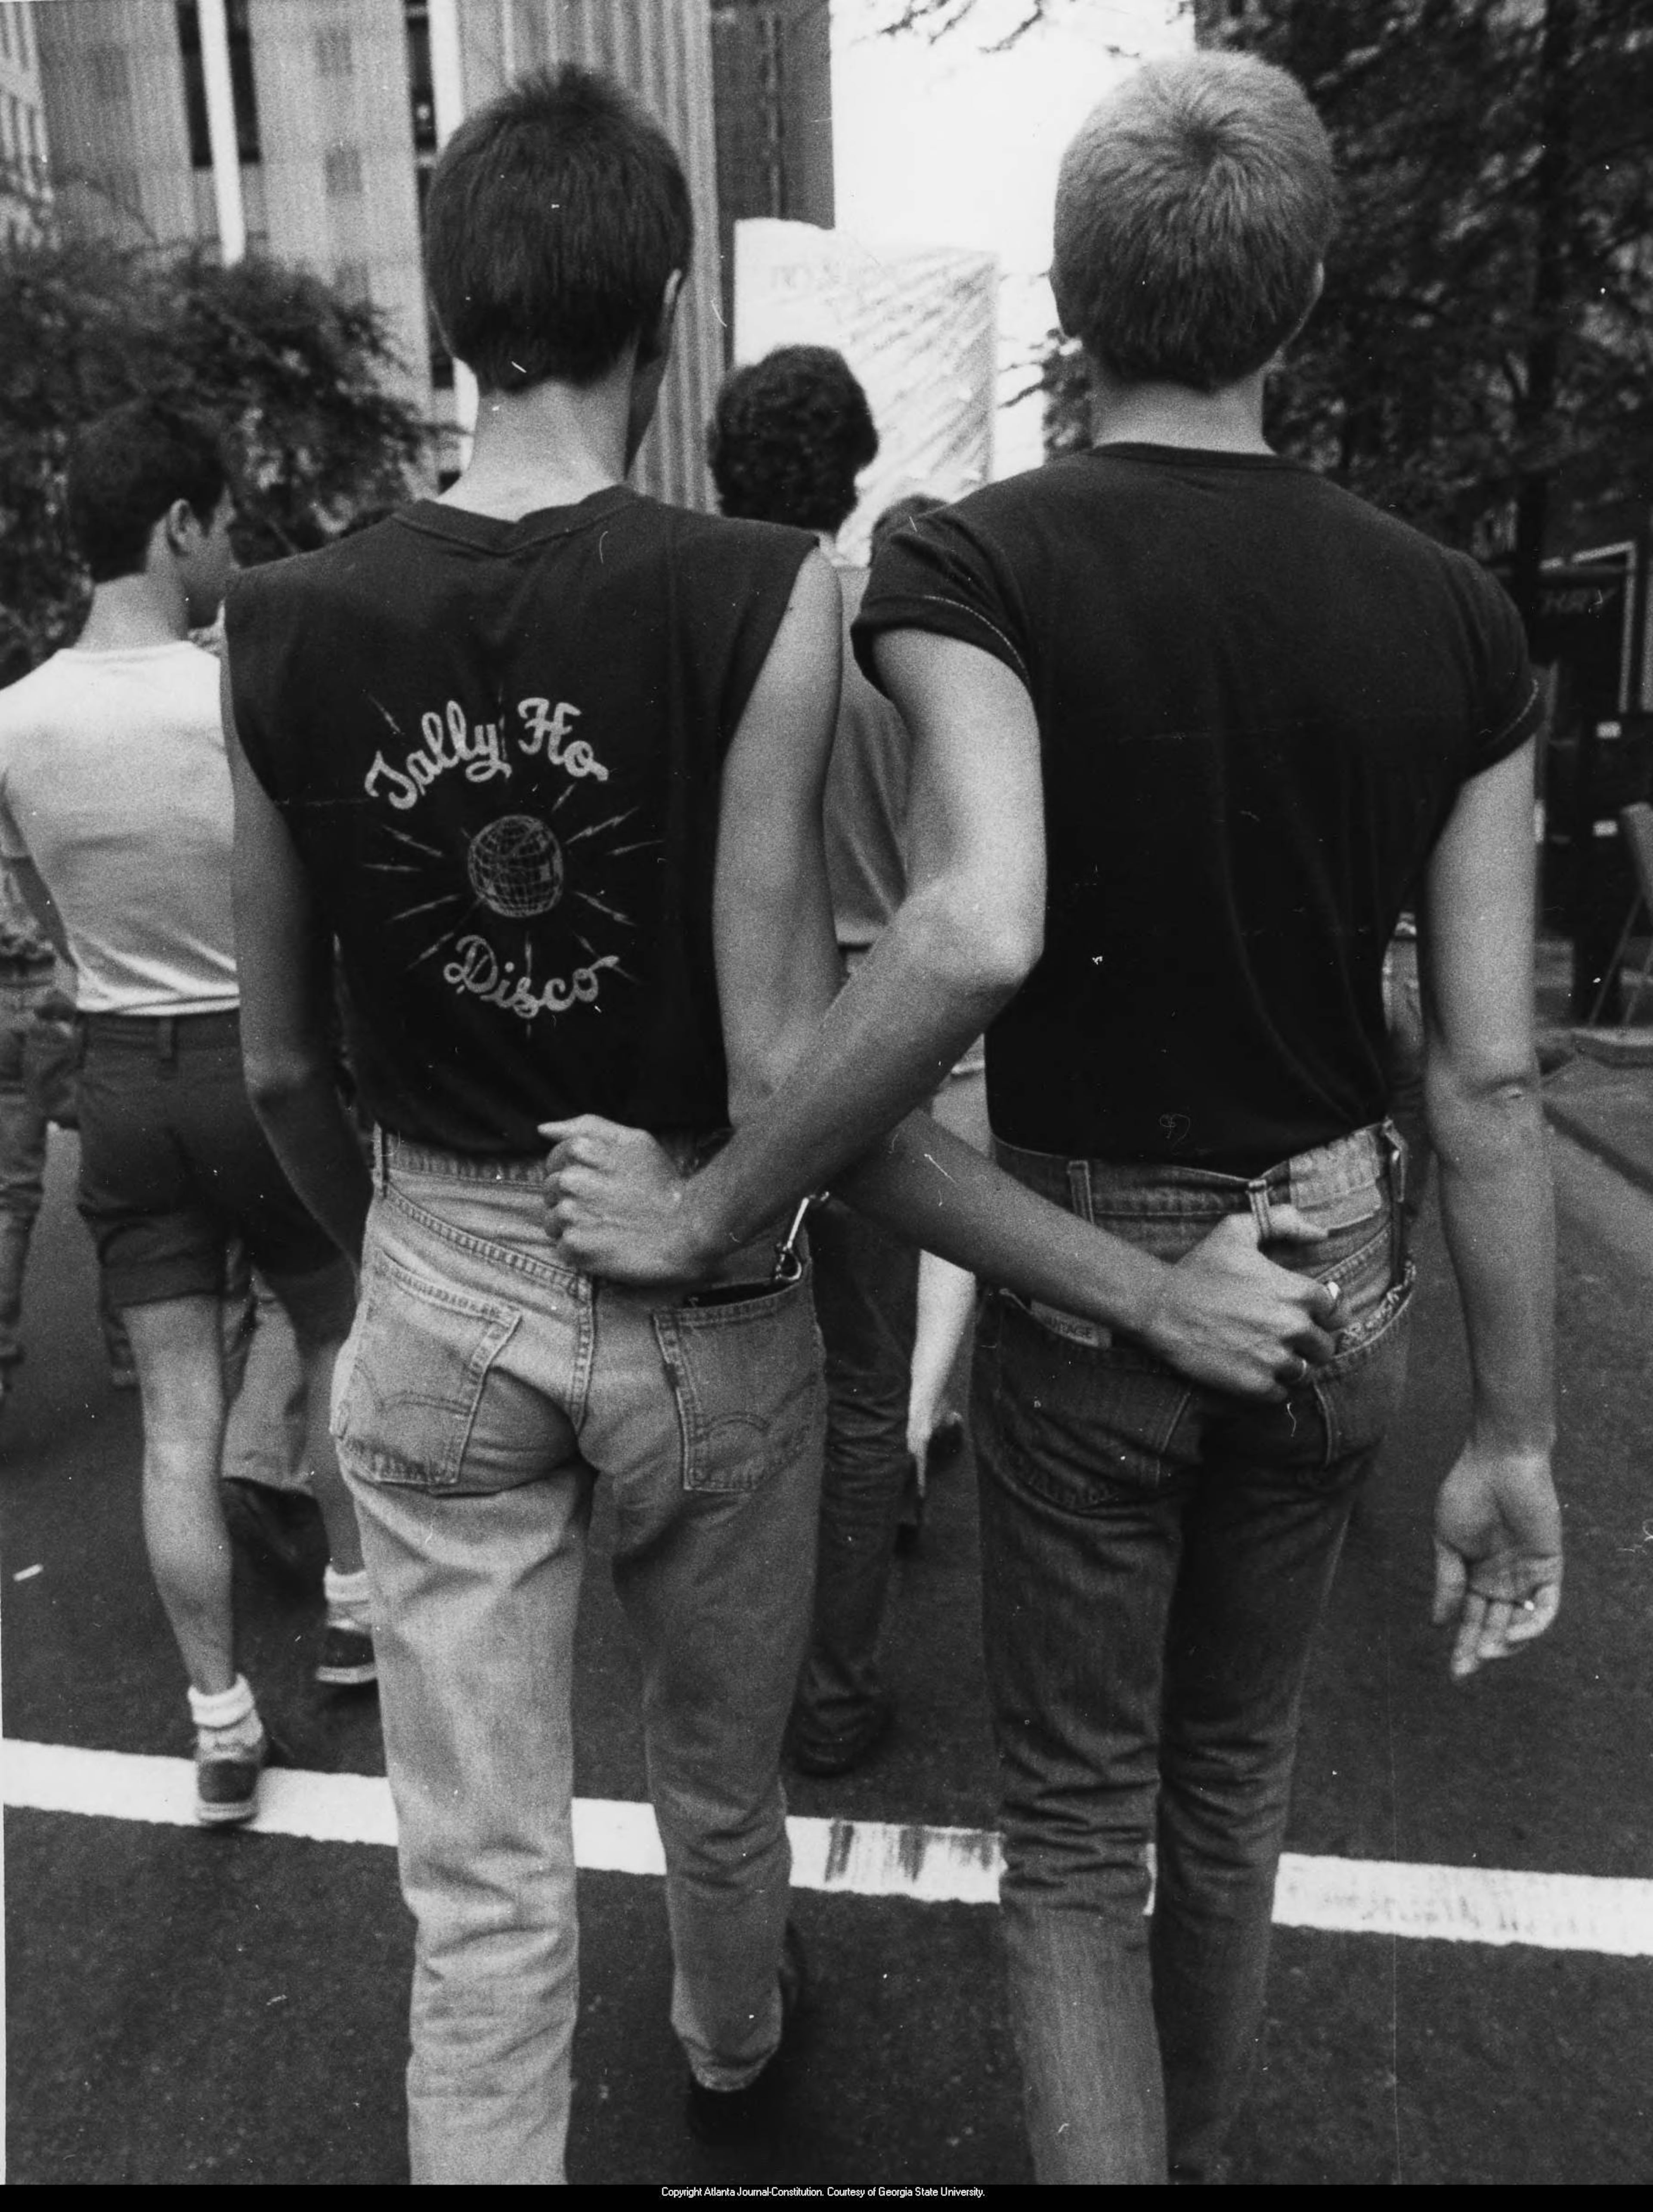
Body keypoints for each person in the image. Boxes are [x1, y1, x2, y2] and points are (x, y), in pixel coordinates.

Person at [547, 47, 1562, 2191]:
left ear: (1076, 308)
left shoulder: (970, 566)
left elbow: (971, 925)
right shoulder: (1459, 618)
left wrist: (719, 1205)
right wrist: (1518, 1433)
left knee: (1081, 1835)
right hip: (1340, 1261)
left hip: (1097, 1268)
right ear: (1303, 301)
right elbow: (1486, 1074)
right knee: (1234, 1787)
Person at [0, 400, 369, 1826]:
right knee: (333, 1332)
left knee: (174, 1414)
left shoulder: (16, 718)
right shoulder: (233, 692)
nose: (230, 551)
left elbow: (37, 910)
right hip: (255, 1053)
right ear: (177, 526)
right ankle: (354, 1610)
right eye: (221, 526)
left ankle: (218, 1718)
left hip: (121, 1073)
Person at [705, 347, 926, 1776]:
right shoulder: (897, 637)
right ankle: (834, 1693)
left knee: (727, 1367)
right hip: (881, 1034)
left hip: (729, 1024)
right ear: (853, 477)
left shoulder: (694, 622)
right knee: (862, 1383)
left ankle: (728, 1681)